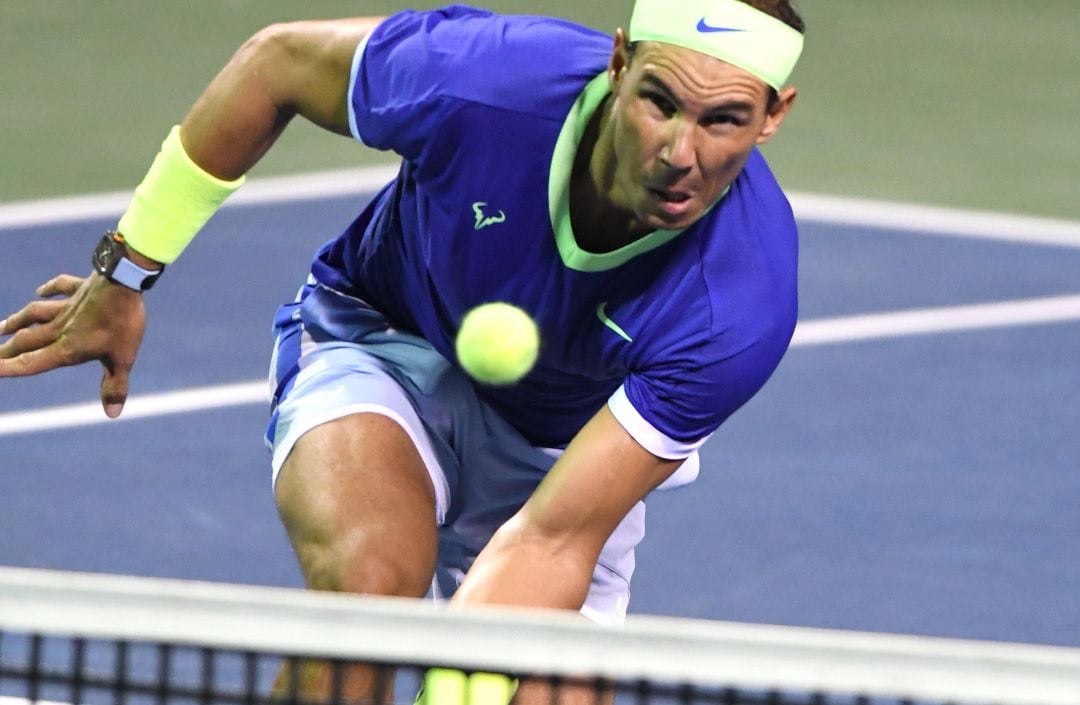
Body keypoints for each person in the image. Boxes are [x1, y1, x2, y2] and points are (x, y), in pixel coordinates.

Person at [1, 0, 804, 700]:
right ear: (620, 61)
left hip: (563, 453)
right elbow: (274, 63)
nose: (678, 151)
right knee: (370, 593)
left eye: (722, 119)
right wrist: (126, 273)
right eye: (658, 102)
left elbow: (554, 537)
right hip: (382, 341)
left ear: (773, 117)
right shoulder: (484, 81)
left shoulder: (739, 301)